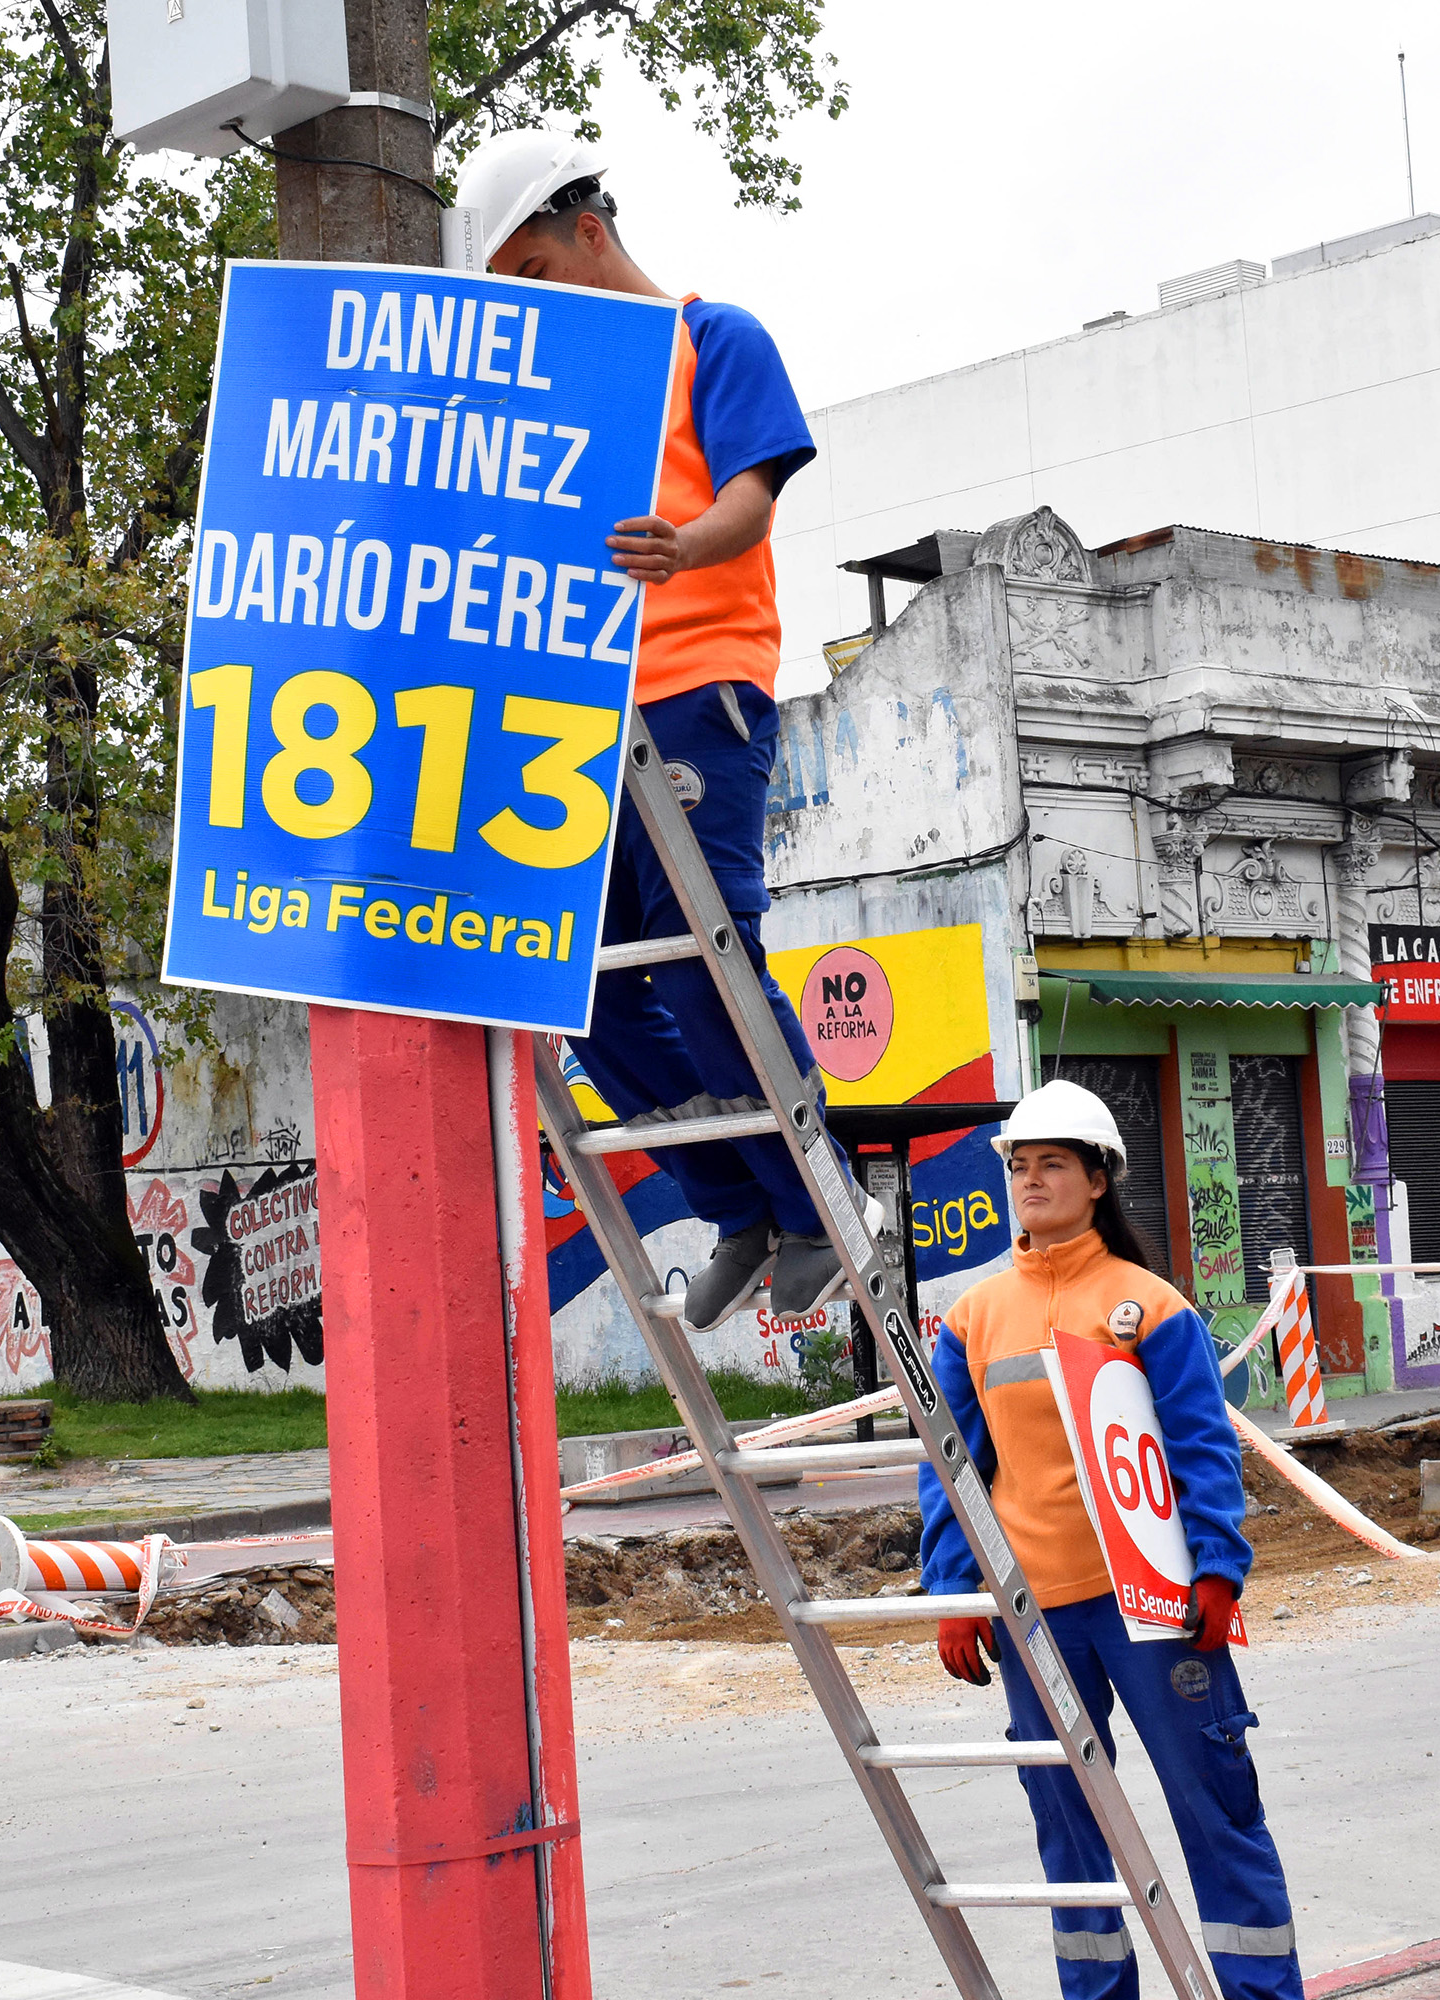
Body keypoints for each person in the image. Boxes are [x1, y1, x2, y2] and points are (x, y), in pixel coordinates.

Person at [470, 130, 868, 1328]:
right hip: (577, 709)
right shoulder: (552, 395)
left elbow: (750, 493)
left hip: (700, 686)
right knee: (579, 983)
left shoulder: (712, 336)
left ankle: (815, 1201)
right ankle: (735, 1204)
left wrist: (683, 546)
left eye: (534, 276)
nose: (531, 308)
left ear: (590, 233)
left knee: (705, 961)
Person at [918, 1080, 1304, 2000]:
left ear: (1098, 1180)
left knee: (1214, 1811)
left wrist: (1216, 1567)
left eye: (1053, 1163)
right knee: (1069, 1827)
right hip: (1033, 1617)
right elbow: (951, 1469)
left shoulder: (1150, 1305)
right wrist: (952, 1590)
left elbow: (1201, 1445)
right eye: (1020, 1165)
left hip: (1153, 1610)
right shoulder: (971, 1318)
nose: (1032, 1180)